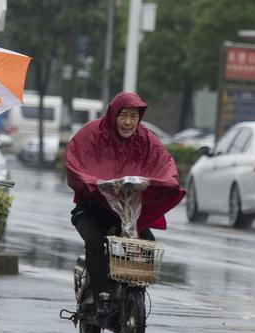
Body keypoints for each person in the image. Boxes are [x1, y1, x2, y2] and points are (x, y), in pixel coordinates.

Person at [65, 92, 184, 317]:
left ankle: (133, 290)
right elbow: (74, 160)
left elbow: (165, 163)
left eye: (133, 116)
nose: (129, 122)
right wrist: (95, 184)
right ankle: (101, 296)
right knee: (95, 242)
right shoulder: (92, 133)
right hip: (92, 209)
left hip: (127, 215)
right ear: (113, 115)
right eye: (123, 116)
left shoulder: (146, 140)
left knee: (146, 243)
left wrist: (164, 181)